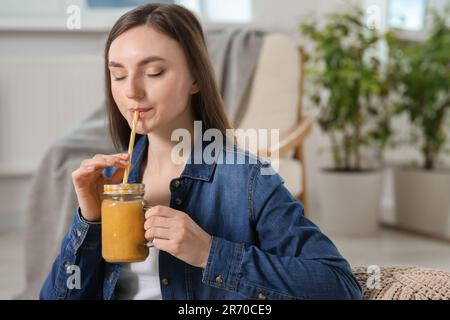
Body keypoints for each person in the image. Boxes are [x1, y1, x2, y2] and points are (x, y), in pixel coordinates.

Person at [40, 3, 362, 300]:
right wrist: (90, 221)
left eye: (153, 72)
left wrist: (209, 253)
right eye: (118, 75)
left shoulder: (247, 180)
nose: (131, 91)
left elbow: (339, 286)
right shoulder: (113, 180)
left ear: (195, 77)